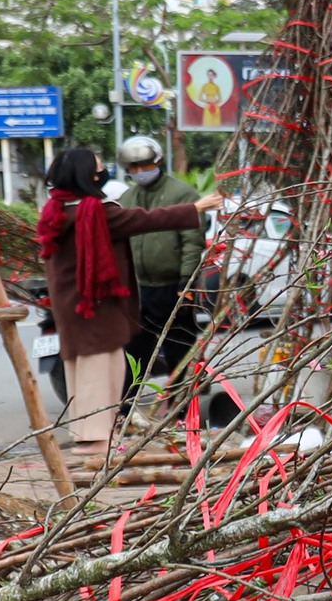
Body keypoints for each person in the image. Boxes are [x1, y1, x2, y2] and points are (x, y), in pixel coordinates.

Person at [37, 144, 220, 451]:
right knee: (102, 368)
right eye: (96, 169)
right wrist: (196, 208)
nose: (101, 172)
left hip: (69, 301)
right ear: (86, 176)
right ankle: (97, 436)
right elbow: (144, 220)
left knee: (80, 367)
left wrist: (186, 280)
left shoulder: (55, 208)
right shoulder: (94, 211)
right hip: (96, 302)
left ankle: (86, 431)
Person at [115, 135, 205, 391]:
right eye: (134, 168)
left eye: (145, 165)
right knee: (135, 351)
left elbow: (191, 241)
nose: (140, 172)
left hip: (172, 286)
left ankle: (180, 408)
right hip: (139, 289)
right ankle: (126, 408)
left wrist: (186, 282)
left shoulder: (182, 193)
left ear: (158, 161)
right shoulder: (127, 198)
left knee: (179, 349)